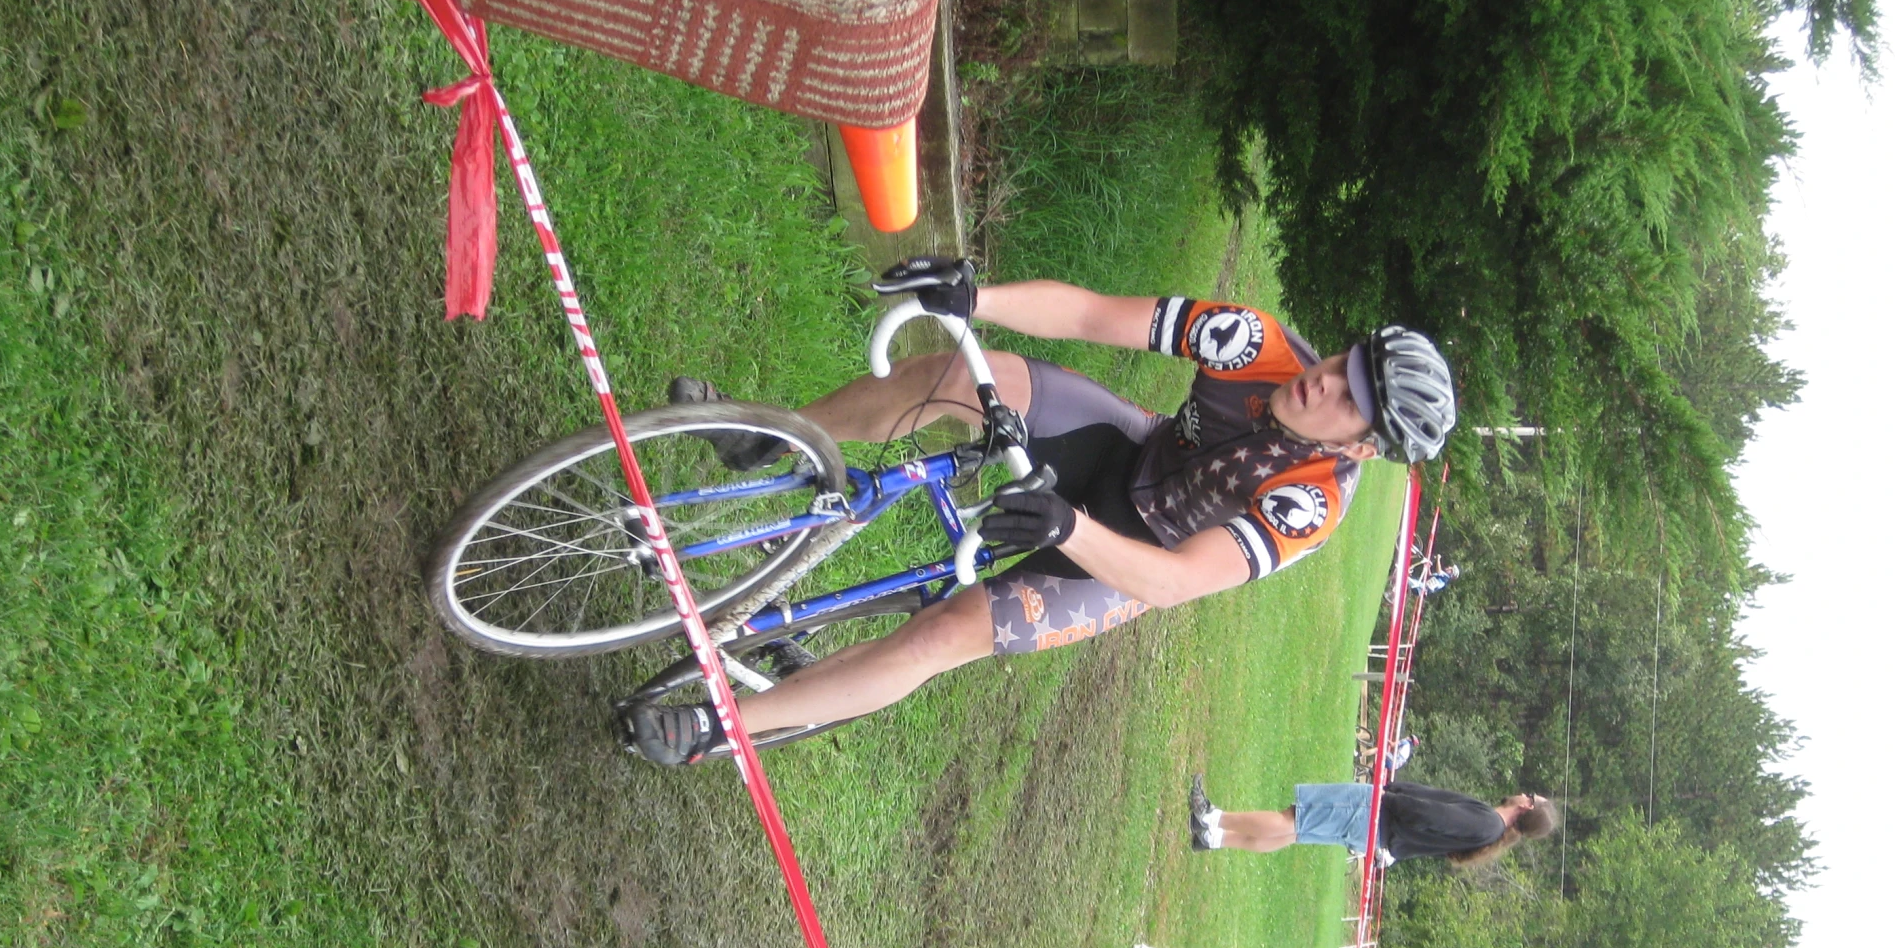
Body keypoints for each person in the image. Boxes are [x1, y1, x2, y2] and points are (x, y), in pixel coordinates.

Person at [625, 258, 1458, 764]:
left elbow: (1172, 582)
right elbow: (1092, 315)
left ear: (1364, 446)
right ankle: (773, 441)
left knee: (945, 633)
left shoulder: (1308, 502)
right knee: (954, 375)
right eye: (1349, 364)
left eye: (1352, 402)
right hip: (1128, 449)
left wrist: (1070, 528)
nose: (1328, 383)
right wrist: (973, 296)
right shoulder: (1252, 342)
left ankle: (715, 726)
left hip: (1134, 554)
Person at [1188, 773, 1557, 868]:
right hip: (1376, 828)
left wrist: (1390, 796)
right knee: (1297, 831)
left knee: (1293, 819)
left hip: (1376, 815)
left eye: (1530, 797)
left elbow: (1428, 813)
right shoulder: (1488, 825)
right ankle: (1213, 839)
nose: (1524, 795)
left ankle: (1211, 817)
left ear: (1526, 809)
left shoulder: (1486, 824)